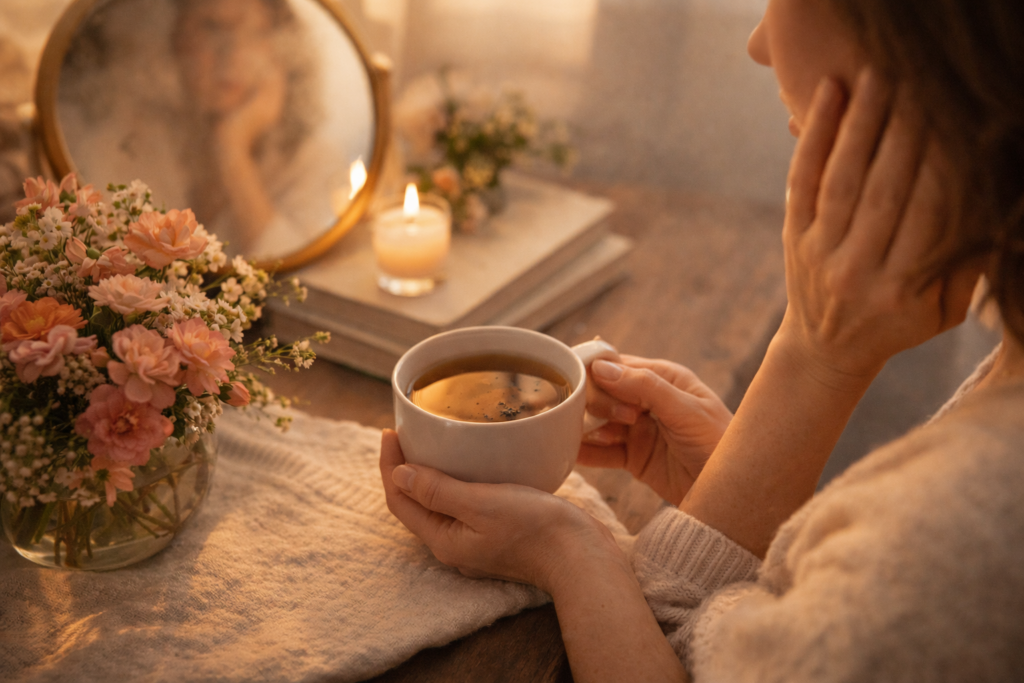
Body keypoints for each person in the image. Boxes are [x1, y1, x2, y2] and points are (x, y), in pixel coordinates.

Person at [380, 0, 1024, 680]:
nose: (758, 43)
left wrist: (570, 550)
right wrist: (745, 473)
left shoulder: (971, 526)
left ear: (931, 46)